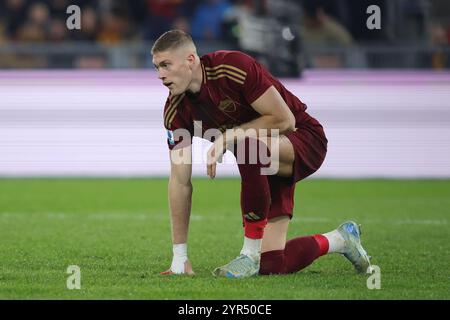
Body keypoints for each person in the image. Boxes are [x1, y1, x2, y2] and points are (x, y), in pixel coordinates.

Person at [152, 30, 371, 278]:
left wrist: (229, 136)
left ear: (190, 60)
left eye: (166, 65)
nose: (160, 75)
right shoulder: (175, 113)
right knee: (273, 266)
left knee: (247, 147)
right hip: (261, 166)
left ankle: (249, 255)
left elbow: (285, 120)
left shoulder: (232, 67)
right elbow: (180, 182)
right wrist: (180, 258)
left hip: (302, 138)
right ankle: (341, 239)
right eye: (157, 67)